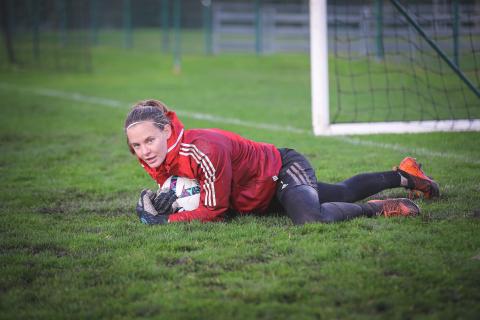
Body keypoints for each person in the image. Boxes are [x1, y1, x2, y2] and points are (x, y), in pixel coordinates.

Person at [124, 99, 439, 225]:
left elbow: (215, 209)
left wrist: (166, 220)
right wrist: (174, 203)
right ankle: (406, 174)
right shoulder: (156, 157)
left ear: (166, 130)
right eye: (136, 145)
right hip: (254, 194)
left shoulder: (203, 149)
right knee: (341, 193)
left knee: (311, 219)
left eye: (149, 140)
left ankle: (381, 207)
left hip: (280, 170)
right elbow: (195, 191)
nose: (144, 150)